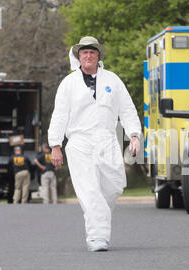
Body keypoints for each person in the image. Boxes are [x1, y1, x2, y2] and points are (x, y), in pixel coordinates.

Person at [48, 36, 141, 252]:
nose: (88, 56)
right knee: (90, 190)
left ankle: (98, 220)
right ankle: (97, 237)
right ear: (78, 57)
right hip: (79, 142)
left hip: (107, 139)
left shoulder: (112, 80)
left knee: (115, 186)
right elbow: (59, 115)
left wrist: (134, 135)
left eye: (92, 52)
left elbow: (127, 109)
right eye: (84, 53)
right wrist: (55, 145)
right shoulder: (68, 84)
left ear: (98, 55)